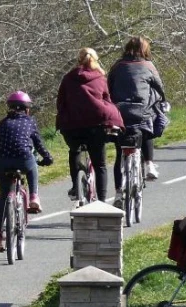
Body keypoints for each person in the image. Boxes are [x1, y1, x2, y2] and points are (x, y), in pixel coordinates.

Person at [0, 92, 53, 253]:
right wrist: (47, 157)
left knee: (3, 196)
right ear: (27, 109)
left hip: (3, 163)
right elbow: (38, 143)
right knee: (32, 166)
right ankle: (34, 197)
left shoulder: (3, 123)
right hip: (23, 160)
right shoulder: (30, 122)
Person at [56, 48, 125, 205]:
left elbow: (60, 103)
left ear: (78, 60)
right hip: (96, 125)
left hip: (72, 127)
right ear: (95, 60)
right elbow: (107, 99)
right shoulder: (99, 78)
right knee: (100, 164)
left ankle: (75, 187)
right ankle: (101, 201)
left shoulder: (68, 78)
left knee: (74, 151)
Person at [109, 36, 168, 184]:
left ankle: (118, 193)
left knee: (119, 151)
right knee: (148, 127)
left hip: (119, 112)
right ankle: (149, 164)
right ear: (145, 50)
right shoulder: (148, 65)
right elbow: (159, 88)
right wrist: (163, 101)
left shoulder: (117, 66)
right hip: (141, 112)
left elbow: (108, 87)